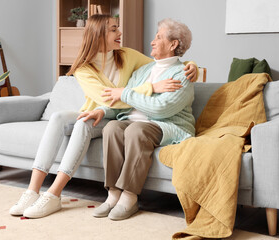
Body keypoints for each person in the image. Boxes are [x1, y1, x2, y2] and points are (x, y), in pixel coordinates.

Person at [9, 14, 198, 219]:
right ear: (99, 34)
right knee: (82, 122)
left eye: (158, 37)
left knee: (103, 126)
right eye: (114, 29)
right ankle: (36, 191)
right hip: (110, 113)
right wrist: (145, 89)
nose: (120, 32)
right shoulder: (88, 68)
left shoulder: (130, 56)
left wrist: (192, 64)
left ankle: (113, 196)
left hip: (144, 120)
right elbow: (111, 99)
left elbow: (168, 66)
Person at [79, 18, 195, 221]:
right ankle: (113, 193)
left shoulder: (182, 73)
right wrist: (103, 112)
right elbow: (126, 104)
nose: (152, 41)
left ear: (173, 44)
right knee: (113, 127)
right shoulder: (143, 71)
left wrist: (125, 93)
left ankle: (130, 197)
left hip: (167, 125)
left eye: (158, 37)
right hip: (134, 122)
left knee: (136, 130)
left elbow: (162, 109)